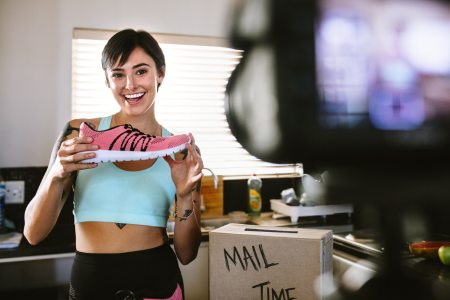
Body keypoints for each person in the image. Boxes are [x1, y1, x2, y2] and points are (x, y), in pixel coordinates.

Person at [23, 29, 204, 300]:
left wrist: (184, 195)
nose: (130, 85)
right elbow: (33, 234)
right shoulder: (79, 135)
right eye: (118, 74)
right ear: (108, 80)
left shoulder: (180, 151)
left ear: (160, 74)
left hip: (159, 282)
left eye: (141, 71)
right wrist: (58, 174)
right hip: (91, 285)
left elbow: (187, 254)